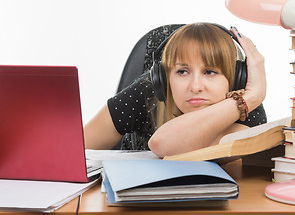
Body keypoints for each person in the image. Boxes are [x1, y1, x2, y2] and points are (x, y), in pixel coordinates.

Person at [84, 22, 267, 158]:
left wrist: (249, 99)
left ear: (236, 79)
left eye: (210, 72)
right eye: (182, 71)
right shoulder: (146, 92)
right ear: (163, 79)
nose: (195, 87)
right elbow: (72, 151)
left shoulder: (246, 106)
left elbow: (167, 144)